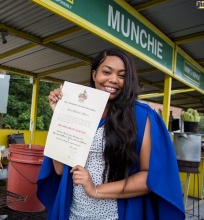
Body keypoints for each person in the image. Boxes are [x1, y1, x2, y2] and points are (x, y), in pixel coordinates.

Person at [37, 48, 185, 220]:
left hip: (115, 213)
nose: (113, 80)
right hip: (75, 212)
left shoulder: (140, 116)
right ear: (94, 75)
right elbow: (61, 169)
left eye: (122, 76)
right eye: (106, 72)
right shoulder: (79, 110)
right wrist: (60, 116)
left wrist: (96, 190)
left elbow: (149, 176)